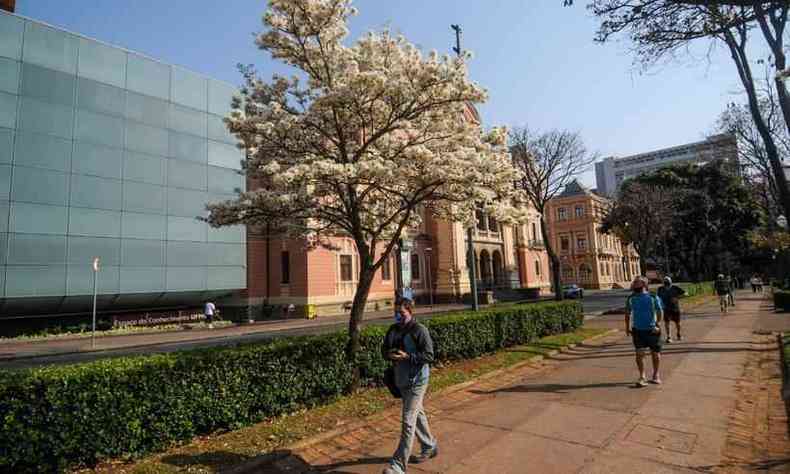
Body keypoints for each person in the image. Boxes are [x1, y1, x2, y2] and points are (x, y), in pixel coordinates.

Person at [382, 300, 438, 474]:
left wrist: (408, 357)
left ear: (410, 312)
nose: (399, 316)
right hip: (401, 380)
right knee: (416, 413)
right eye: (396, 312)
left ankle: (398, 465)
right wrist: (389, 354)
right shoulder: (393, 329)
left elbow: (429, 355)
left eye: (402, 313)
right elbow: (384, 350)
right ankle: (429, 445)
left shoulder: (419, 330)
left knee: (408, 420)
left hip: (418, 381)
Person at [625, 276, 664, 387]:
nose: (634, 284)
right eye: (634, 283)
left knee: (655, 354)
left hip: (652, 330)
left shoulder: (652, 297)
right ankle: (642, 376)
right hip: (638, 331)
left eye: (637, 283)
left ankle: (656, 375)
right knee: (639, 355)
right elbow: (627, 313)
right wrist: (627, 327)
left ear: (644, 284)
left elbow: (660, 311)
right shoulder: (631, 298)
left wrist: (658, 324)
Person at [657, 276, 686, 343]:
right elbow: (657, 297)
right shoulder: (660, 289)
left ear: (670, 282)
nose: (666, 284)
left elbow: (686, 293)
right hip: (666, 309)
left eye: (668, 282)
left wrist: (677, 297)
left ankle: (678, 334)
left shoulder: (675, 288)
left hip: (675, 308)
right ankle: (669, 337)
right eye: (665, 282)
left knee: (677, 323)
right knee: (667, 323)